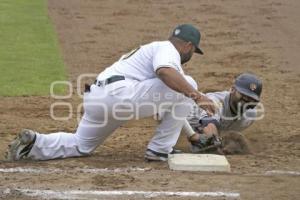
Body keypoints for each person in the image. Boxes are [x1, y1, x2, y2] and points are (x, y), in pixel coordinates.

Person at [6, 24, 215, 162]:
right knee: (188, 84)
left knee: (81, 145)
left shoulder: (154, 51)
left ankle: (34, 143)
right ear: (188, 45)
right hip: (120, 96)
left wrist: (192, 135)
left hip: (99, 98)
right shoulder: (167, 50)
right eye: (193, 51)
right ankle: (160, 150)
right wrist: (198, 96)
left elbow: (171, 100)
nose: (191, 55)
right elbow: (166, 75)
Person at [182, 73, 263, 154]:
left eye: (251, 98)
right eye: (243, 95)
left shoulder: (250, 116)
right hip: (178, 119)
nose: (246, 100)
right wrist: (214, 141)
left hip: (196, 128)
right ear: (232, 89)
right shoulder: (216, 102)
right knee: (209, 143)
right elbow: (209, 125)